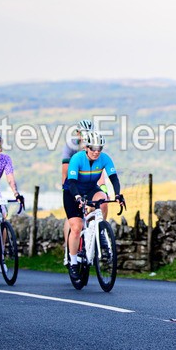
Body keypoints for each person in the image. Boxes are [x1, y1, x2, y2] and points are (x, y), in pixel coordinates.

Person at [62, 130, 124, 281]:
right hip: (72, 192)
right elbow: (71, 182)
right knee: (76, 228)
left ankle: (99, 230)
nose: (96, 152)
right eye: (93, 149)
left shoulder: (105, 158)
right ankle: (73, 262)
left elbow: (114, 178)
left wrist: (117, 195)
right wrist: (77, 197)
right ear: (86, 148)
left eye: (99, 149)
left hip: (91, 189)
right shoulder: (76, 158)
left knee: (102, 200)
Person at [60, 119, 110, 264]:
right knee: (73, 220)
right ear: (78, 133)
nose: (86, 135)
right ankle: (69, 248)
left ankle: (99, 231)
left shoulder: (94, 145)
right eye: (83, 133)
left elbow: (100, 172)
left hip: (89, 184)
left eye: (88, 132)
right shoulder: (71, 146)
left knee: (102, 202)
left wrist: (104, 190)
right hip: (73, 183)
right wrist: (69, 191)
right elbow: (65, 172)